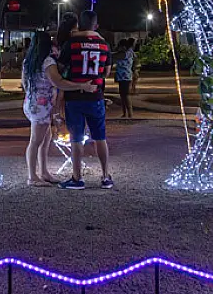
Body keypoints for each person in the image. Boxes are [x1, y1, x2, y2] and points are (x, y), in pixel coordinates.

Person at [22, 32, 92, 186]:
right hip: (41, 106)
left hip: (32, 103)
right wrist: (81, 86)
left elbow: (24, 84)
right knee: (35, 141)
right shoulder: (47, 62)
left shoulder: (29, 61)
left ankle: (44, 172)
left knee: (45, 139)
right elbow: (59, 82)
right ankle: (32, 177)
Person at [57, 10, 112, 190]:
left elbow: (61, 67)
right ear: (95, 24)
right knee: (100, 137)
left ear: (79, 25)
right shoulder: (104, 44)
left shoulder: (71, 44)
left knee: (76, 139)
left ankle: (77, 177)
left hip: (74, 97)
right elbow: (106, 72)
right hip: (95, 95)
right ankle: (105, 176)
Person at [112, 38, 135, 118]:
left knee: (126, 95)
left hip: (125, 77)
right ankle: (125, 113)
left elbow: (114, 56)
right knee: (123, 95)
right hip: (123, 77)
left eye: (120, 46)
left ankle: (129, 114)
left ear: (124, 47)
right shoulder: (128, 52)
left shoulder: (125, 54)